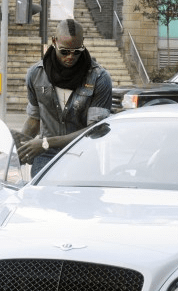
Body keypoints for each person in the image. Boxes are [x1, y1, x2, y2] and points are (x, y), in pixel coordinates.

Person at [17, 19, 113, 175]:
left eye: (77, 51)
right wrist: (21, 148)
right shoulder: (35, 74)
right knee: (41, 199)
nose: (71, 56)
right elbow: (34, 119)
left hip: (82, 157)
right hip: (45, 159)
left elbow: (95, 130)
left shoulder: (99, 78)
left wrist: (47, 143)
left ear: (83, 43)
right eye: (64, 51)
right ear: (54, 41)